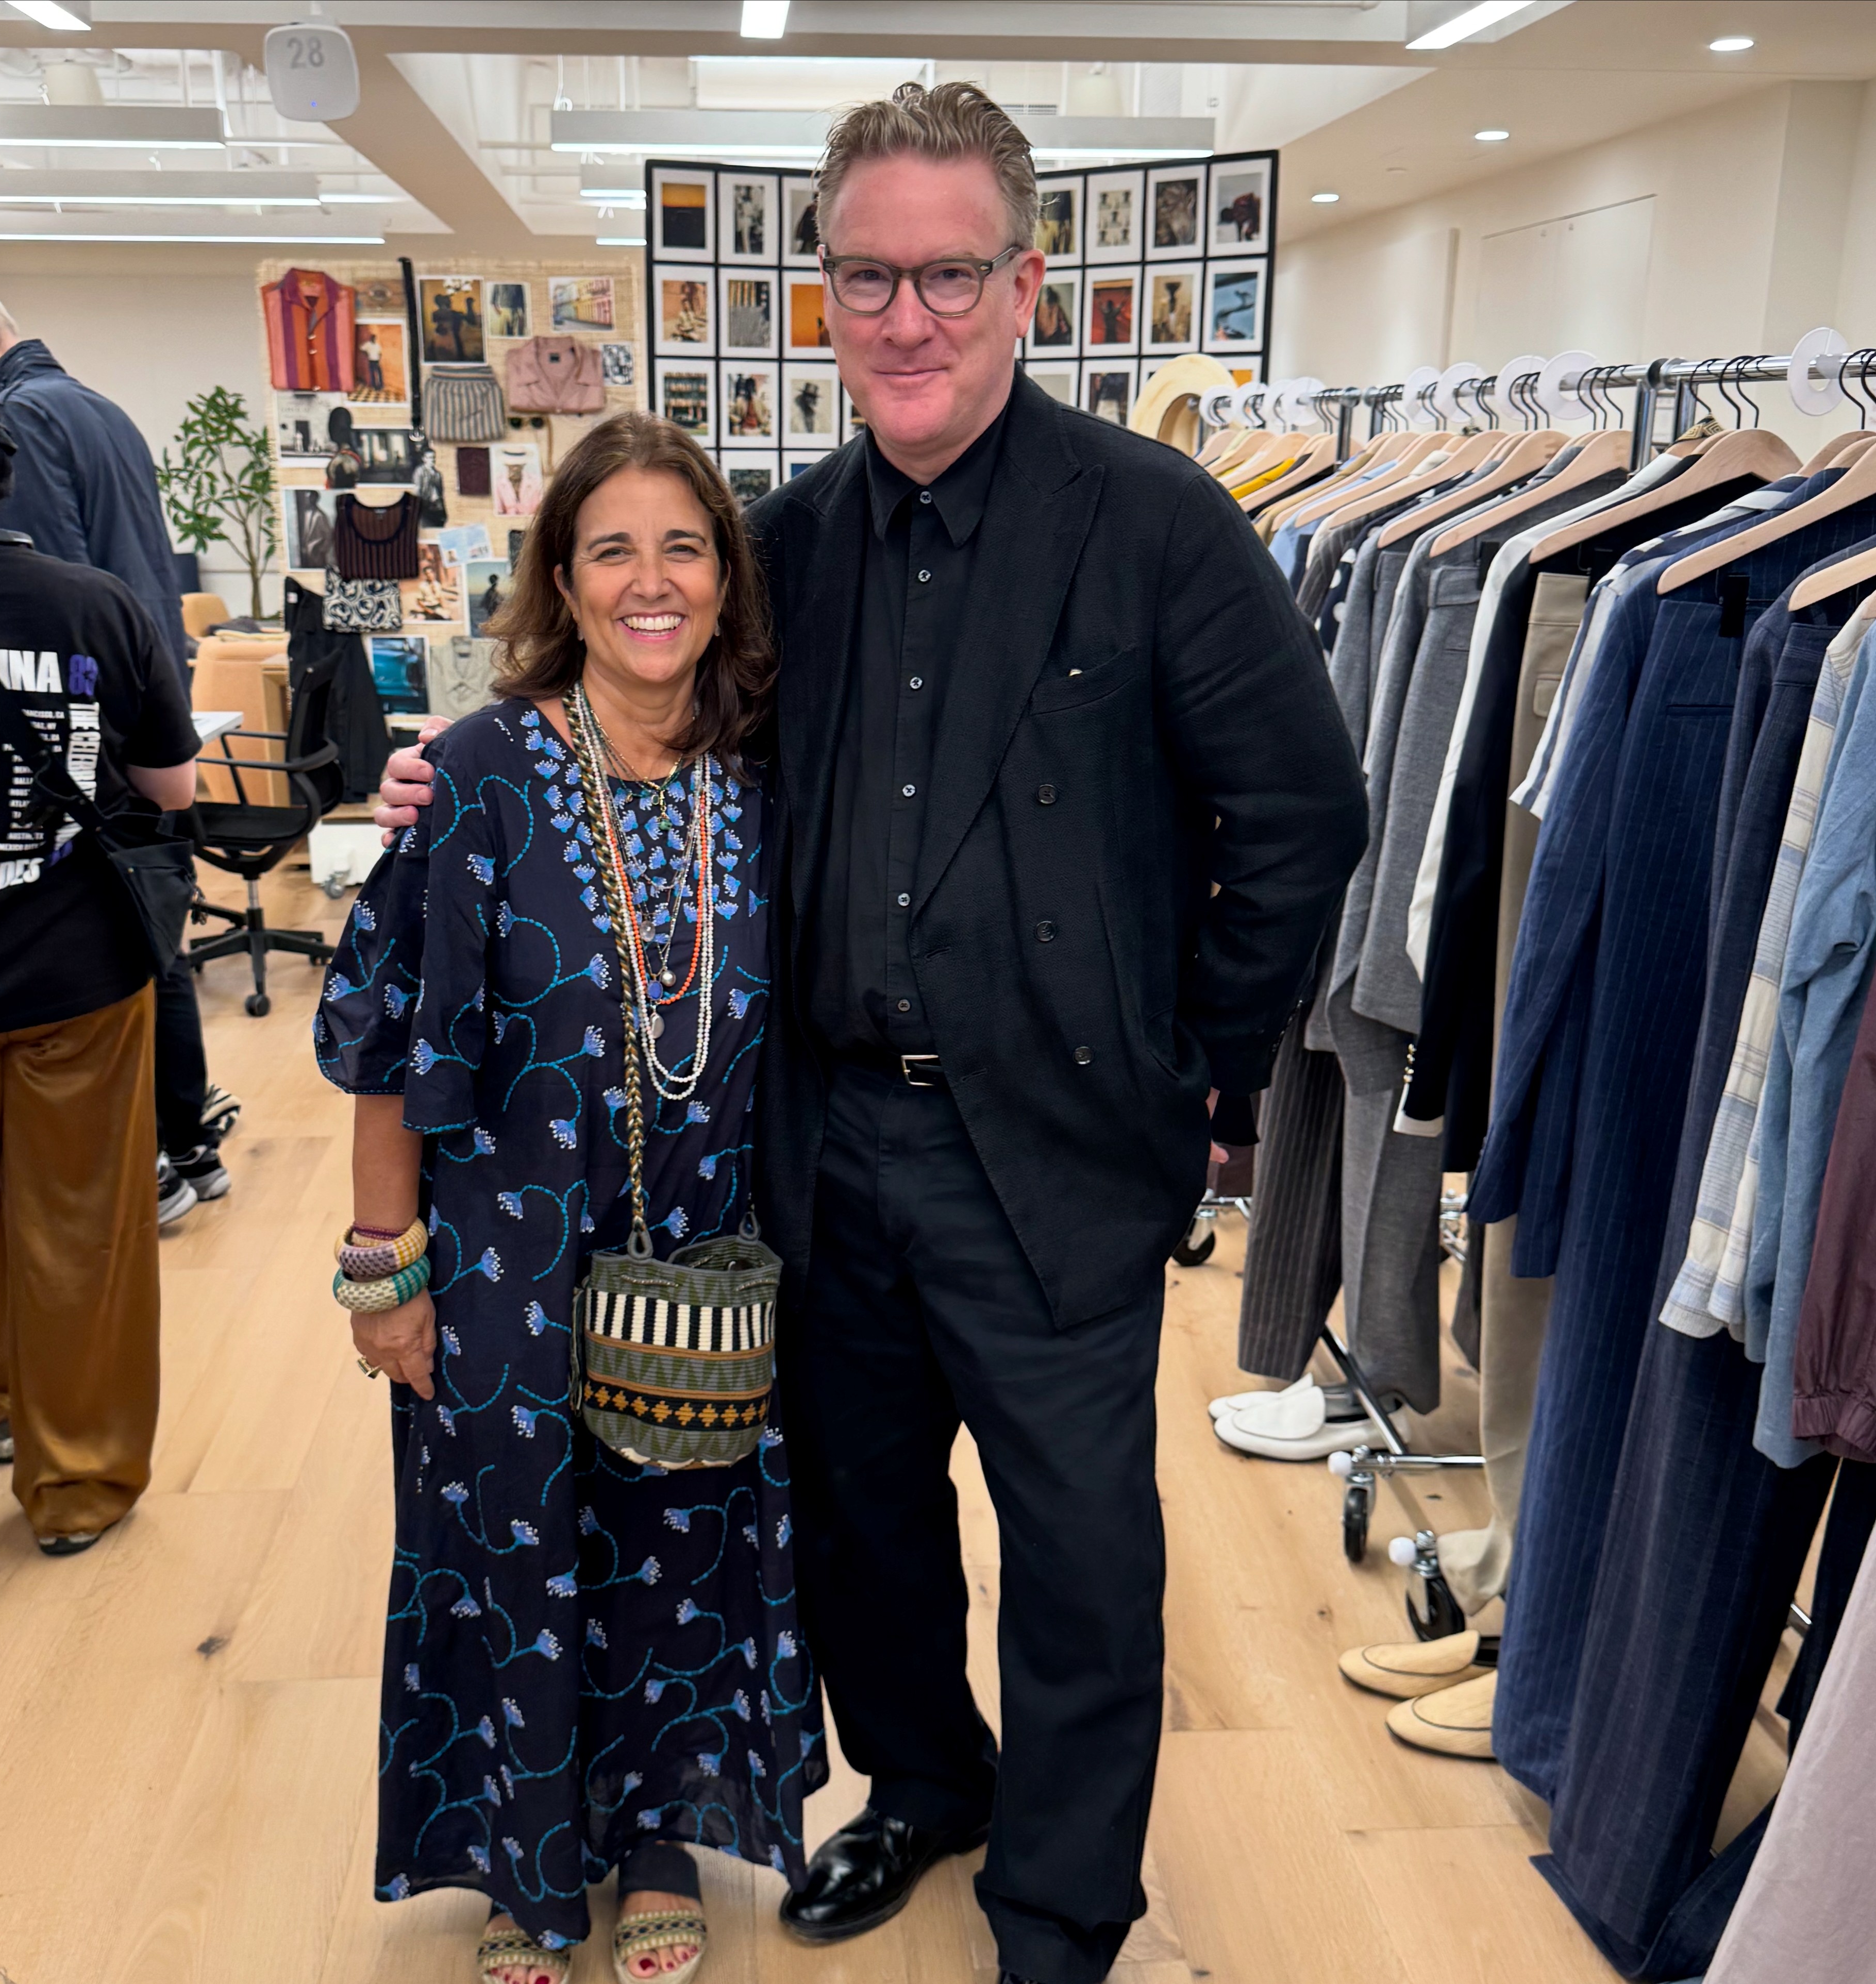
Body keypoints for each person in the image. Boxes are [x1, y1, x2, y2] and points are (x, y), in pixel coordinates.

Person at [379, 82, 1367, 1984]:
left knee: (1082, 1554)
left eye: (948, 275)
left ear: (1028, 286)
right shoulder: (788, 545)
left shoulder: (1156, 523)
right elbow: (644, 733)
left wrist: (1196, 1064)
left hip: (1059, 1151)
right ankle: (924, 1782)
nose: (906, 318)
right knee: (860, 1523)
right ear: (822, 293)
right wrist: (462, 768)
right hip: (821, 1142)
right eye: (866, 279)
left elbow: (1304, 815)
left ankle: (1060, 1907)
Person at [318, 411, 825, 1984]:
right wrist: (384, 1269)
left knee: (678, 1540)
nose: (650, 581)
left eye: (684, 547)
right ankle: (528, 1870)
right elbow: (394, 1040)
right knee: (514, 1552)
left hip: (700, 1260)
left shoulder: (766, 778)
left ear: (728, 581)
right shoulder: (478, 774)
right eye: (612, 550)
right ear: (561, 579)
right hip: (506, 1263)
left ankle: (658, 1833)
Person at [0, 350, 198, 1553]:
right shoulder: (96, 604)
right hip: (77, 969)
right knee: (82, 1224)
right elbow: (172, 788)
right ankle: (76, 1482)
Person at [0, 277, 231, 1218]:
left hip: (64, 783)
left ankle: (151, 1160)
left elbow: (32, 609)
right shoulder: (107, 413)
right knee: (152, 934)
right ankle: (185, 1142)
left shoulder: (24, 420)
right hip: (138, 733)